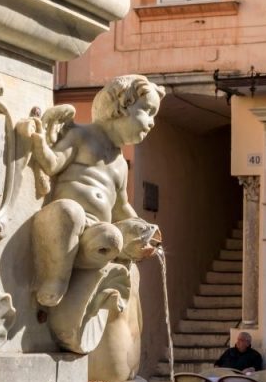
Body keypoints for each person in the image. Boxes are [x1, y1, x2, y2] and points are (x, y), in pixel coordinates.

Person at [28, 74, 164, 307]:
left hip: (93, 236)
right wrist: (38, 141)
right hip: (63, 226)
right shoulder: (81, 136)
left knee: (113, 236)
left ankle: (79, 277)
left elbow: (120, 206)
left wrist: (142, 228)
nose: (151, 122)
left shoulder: (121, 163)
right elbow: (52, 164)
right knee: (70, 211)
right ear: (121, 107)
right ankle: (55, 279)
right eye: (147, 111)